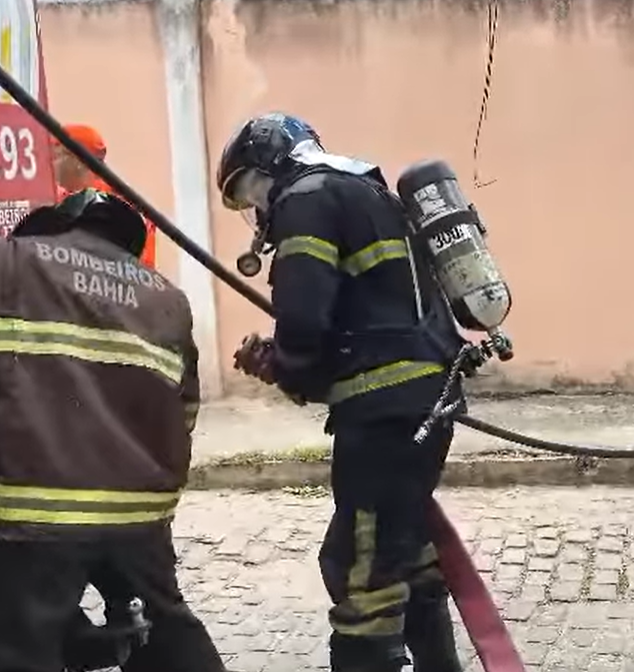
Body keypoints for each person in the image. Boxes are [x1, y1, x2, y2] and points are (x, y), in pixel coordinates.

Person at [0, 189, 226, 672]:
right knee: (165, 636)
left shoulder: (9, 261)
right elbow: (183, 413)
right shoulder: (167, 297)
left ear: (57, 225)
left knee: (14, 653)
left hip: (31, 508)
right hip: (138, 517)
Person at [217, 112, 467, 672]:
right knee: (405, 547)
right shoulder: (364, 189)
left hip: (384, 413)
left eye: (249, 189)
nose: (256, 208)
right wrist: (287, 365)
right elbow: (367, 317)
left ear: (270, 165)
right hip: (424, 397)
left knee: (359, 565)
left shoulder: (305, 199)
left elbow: (305, 323)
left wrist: (283, 363)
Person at [52, 124, 158, 269]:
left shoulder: (118, 205)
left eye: (56, 156)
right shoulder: (60, 199)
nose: (51, 164)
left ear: (78, 160)